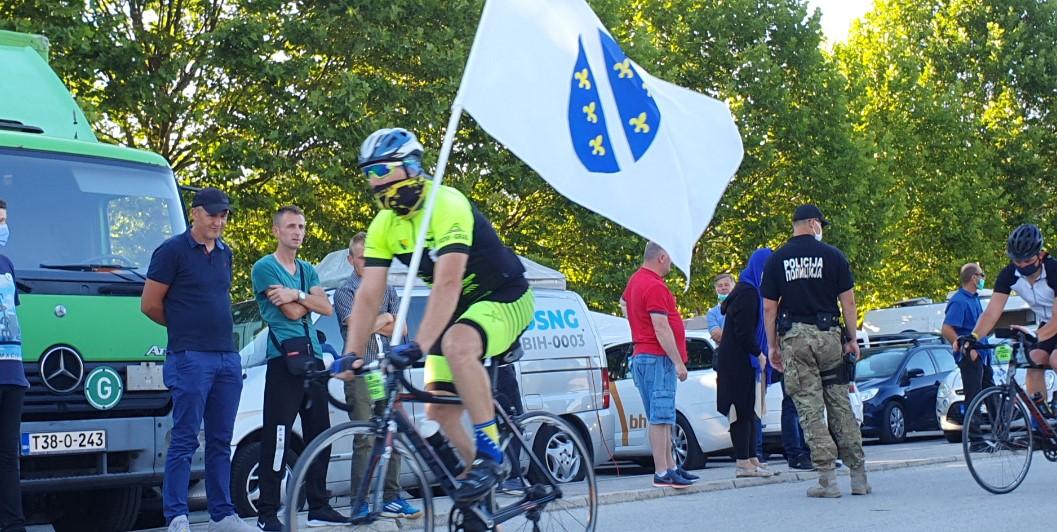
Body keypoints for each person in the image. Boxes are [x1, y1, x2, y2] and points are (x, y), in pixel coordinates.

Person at [333, 128, 535, 503]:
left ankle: (491, 451)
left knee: (458, 344)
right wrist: (352, 353)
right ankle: (482, 497)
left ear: (411, 167)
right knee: (439, 411)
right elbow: (368, 295)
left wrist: (420, 345)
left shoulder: (447, 204)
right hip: (460, 311)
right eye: (369, 174)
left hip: (505, 295)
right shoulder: (385, 225)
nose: (375, 182)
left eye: (382, 171)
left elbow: (447, 284)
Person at [141, 188, 255, 532]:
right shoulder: (171, 251)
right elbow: (149, 304)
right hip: (190, 357)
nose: (218, 221)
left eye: (223, 215)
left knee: (221, 439)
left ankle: (223, 514)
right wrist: (184, 327)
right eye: (212, 214)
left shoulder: (225, 253)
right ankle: (176, 515)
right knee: (186, 437)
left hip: (226, 357)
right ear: (195, 213)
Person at [762, 204, 869, 498]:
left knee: (810, 410)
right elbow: (848, 303)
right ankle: (858, 476)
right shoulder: (834, 256)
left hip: (795, 341)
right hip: (829, 338)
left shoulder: (777, 259)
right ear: (812, 223)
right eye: (820, 223)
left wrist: (772, 346)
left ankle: (828, 480)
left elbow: (769, 307)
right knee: (839, 404)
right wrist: (851, 339)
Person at [251, 206, 345, 530]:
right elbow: (291, 314)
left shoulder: (307, 270)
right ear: (276, 231)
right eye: (291, 226)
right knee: (278, 438)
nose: (298, 232)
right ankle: (267, 513)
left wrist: (297, 293)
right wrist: (302, 301)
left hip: (313, 359)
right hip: (284, 362)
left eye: (302, 226)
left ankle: (318, 505)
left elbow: (326, 308)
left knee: (321, 435)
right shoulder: (265, 267)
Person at [334, 232, 420, 519]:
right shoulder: (347, 291)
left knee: (391, 432)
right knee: (364, 438)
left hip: (386, 371)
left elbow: (404, 328)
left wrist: (377, 322)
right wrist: (386, 319)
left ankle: (392, 497)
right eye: (361, 258)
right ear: (351, 259)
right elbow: (357, 325)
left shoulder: (388, 288)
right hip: (362, 372)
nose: (368, 262)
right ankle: (360, 502)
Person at [620, 241, 696, 488]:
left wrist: (636, 324)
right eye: (671, 259)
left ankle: (671, 466)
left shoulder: (635, 281)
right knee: (661, 417)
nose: (672, 264)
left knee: (663, 416)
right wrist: (678, 362)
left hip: (642, 354)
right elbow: (661, 327)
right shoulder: (654, 286)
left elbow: (623, 304)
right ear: (662, 257)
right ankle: (662, 471)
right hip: (657, 357)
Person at [967, 224, 1057, 415]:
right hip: (1044, 322)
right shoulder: (1009, 274)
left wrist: (1034, 334)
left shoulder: (1054, 270)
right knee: (1033, 360)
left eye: (1028, 260)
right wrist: (973, 337)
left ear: (1040, 255)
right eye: (1018, 261)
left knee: (1055, 358)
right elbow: (992, 312)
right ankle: (1041, 420)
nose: (1023, 265)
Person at [717, 248, 776, 478]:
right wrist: (758, 353)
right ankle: (743, 462)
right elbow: (743, 331)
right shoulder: (747, 293)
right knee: (741, 411)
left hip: (744, 361)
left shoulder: (752, 291)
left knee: (751, 411)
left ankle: (752, 458)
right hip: (738, 362)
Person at [0, 200, 27, 532]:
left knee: (8, 456)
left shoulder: (7, 265)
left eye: (4, 220)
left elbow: (12, 318)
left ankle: (13, 523)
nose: (3, 228)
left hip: (12, 371)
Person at [941, 263, 994, 416]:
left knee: (991, 395)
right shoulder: (959, 301)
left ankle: (1000, 431)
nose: (983, 278)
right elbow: (946, 328)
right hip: (971, 356)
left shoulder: (974, 299)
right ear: (973, 278)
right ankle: (975, 437)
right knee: (974, 398)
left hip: (982, 355)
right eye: (981, 275)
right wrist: (966, 349)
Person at [707, 273, 735, 344]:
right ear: (716, 290)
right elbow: (718, 337)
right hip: (724, 353)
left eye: (726, 285)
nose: (723, 288)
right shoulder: (712, 313)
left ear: (734, 287)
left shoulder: (743, 307)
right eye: (720, 286)